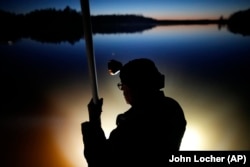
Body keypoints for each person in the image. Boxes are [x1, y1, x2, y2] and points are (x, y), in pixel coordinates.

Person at [81, 58, 187, 167]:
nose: (122, 90)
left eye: (123, 85)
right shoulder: (171, 107)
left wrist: (94, 121)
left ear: (136, 86)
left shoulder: (137, 121)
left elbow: (101, 160)